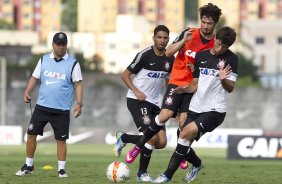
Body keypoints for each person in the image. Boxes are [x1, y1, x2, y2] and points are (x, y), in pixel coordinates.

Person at [124, 3, 222, 168]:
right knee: (164, 115)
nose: (205, 26)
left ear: (215, 24)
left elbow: (211, 66)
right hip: (177, 80)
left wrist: (196, 68)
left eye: (209, 23)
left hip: (193, 86)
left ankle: (182, 155)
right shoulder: (189, 33)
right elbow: (169, 52)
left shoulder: (215, 43)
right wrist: (184, 40)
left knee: (184, 125)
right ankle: (138, 146)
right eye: (203, 22)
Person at [153, 26, 238, 183]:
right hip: (196, 106)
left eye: (224, 47)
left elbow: (230, 88)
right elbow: (195, 84)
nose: (220, 49)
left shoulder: (231, 59)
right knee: (182, 138)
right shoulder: (201, 56)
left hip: (215, 110)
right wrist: (182, 90)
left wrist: (223, 79)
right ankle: (197, 164)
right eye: (219, 44)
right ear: (216, 39)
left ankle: (166, 176)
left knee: (184, 134)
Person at [15, 32, 83, 178]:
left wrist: (79, 104)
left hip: (62, 109)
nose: (61, 47)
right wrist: (27, 91)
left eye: (63, 44)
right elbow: (34, 78)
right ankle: (29, 165)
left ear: (66, 45)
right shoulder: (44, 59)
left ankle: (61, 169)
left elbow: (78, 84)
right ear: (53, 45)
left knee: (61, 140)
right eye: (58, 44)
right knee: (31, 134)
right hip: (42, 106)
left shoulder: (73, 63)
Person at [113, 25, 175, 182]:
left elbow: (168, 82)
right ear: (153, 38)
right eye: (159, 37)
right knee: (152, 138)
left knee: (161, 142)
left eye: (165, 38)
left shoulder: (170, 58)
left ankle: (124, 137)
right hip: (137, 101)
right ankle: (142, 173)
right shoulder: (145, 55)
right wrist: (137, 92)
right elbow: (125, 75)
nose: (162, 40)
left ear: (168, 39)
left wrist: (170, 105)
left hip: (155, 104)